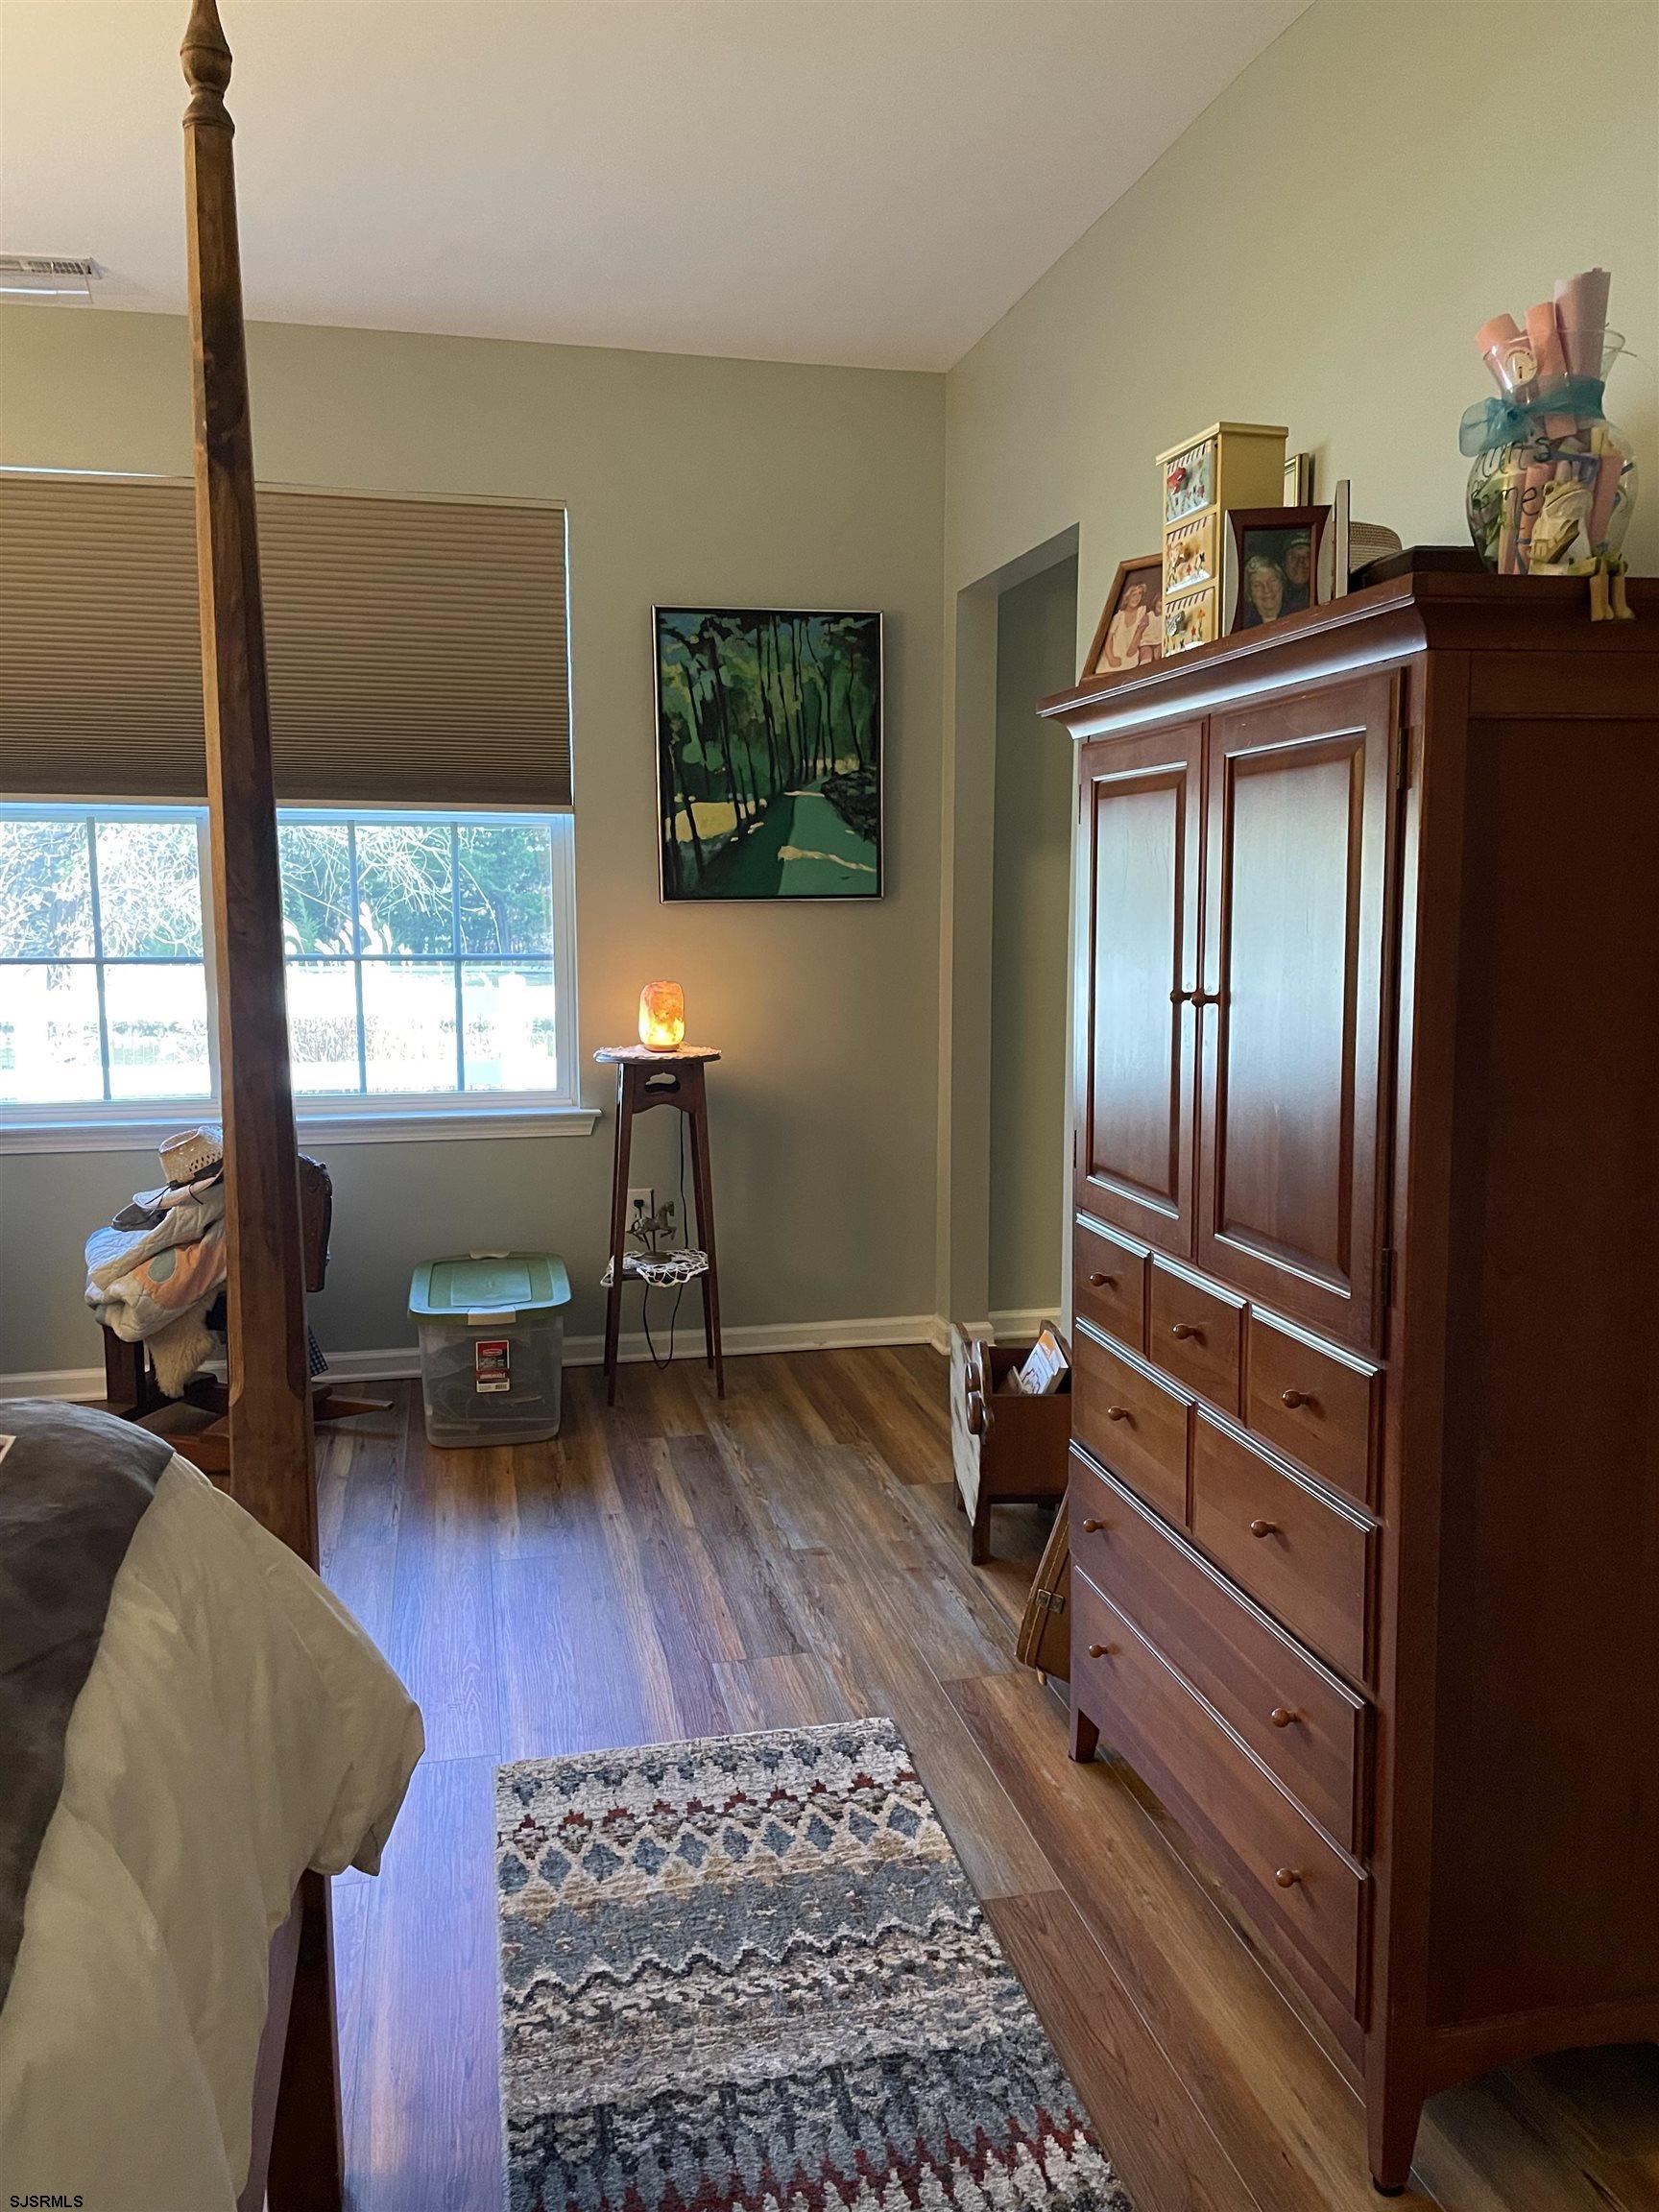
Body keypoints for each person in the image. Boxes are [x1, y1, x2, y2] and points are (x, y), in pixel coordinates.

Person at [1099, 574, 1160, 669]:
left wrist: (1132, 649)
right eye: (1134, 595)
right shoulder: (1118, 617)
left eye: (1140, 594)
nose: (1136, 598)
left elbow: (1139, 635)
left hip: (1130, 659)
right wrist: (1111, 658)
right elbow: (1108, 640)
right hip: (1113, 657)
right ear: (1127, 597)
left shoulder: (1142, 611)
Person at [1239, 552, 1286, 627]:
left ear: (1282, 583)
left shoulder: (1299, 616)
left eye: (1272, 581)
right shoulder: (1243, 627)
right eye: (1257, 585)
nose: (1267, 590)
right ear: (1249, 593)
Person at [1281, 534, 1313, 613]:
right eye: (1294, 557)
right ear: (1283, 564)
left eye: (1307, 556)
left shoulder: (1324, 595)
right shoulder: (1271, 595)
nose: (1300, 562)